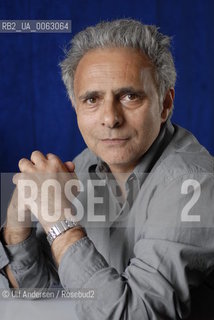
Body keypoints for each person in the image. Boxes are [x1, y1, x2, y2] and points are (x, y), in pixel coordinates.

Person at [0, 19, 214, 319]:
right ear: (76, 109)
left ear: (165, 104)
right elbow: (37, 286)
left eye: (130, 96)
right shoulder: (89, 163)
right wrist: (16, 224)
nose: (110, 118)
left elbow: (134, 315)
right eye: (92, 99)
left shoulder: (192, 184)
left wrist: (59, 222)